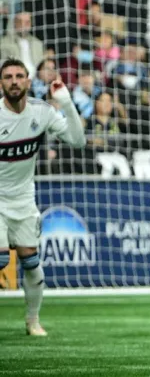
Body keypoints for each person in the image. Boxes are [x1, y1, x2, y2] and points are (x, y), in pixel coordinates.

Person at [0, 59, 86, 336]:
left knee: (31, 264)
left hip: (24, 200)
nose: (14, 81)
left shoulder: (43, 112)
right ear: (1, 84)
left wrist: (67, 101)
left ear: (28, 81)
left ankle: (32, 321)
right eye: (8, 77)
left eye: (19, 76)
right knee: (1, 260)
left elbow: (77, 140)